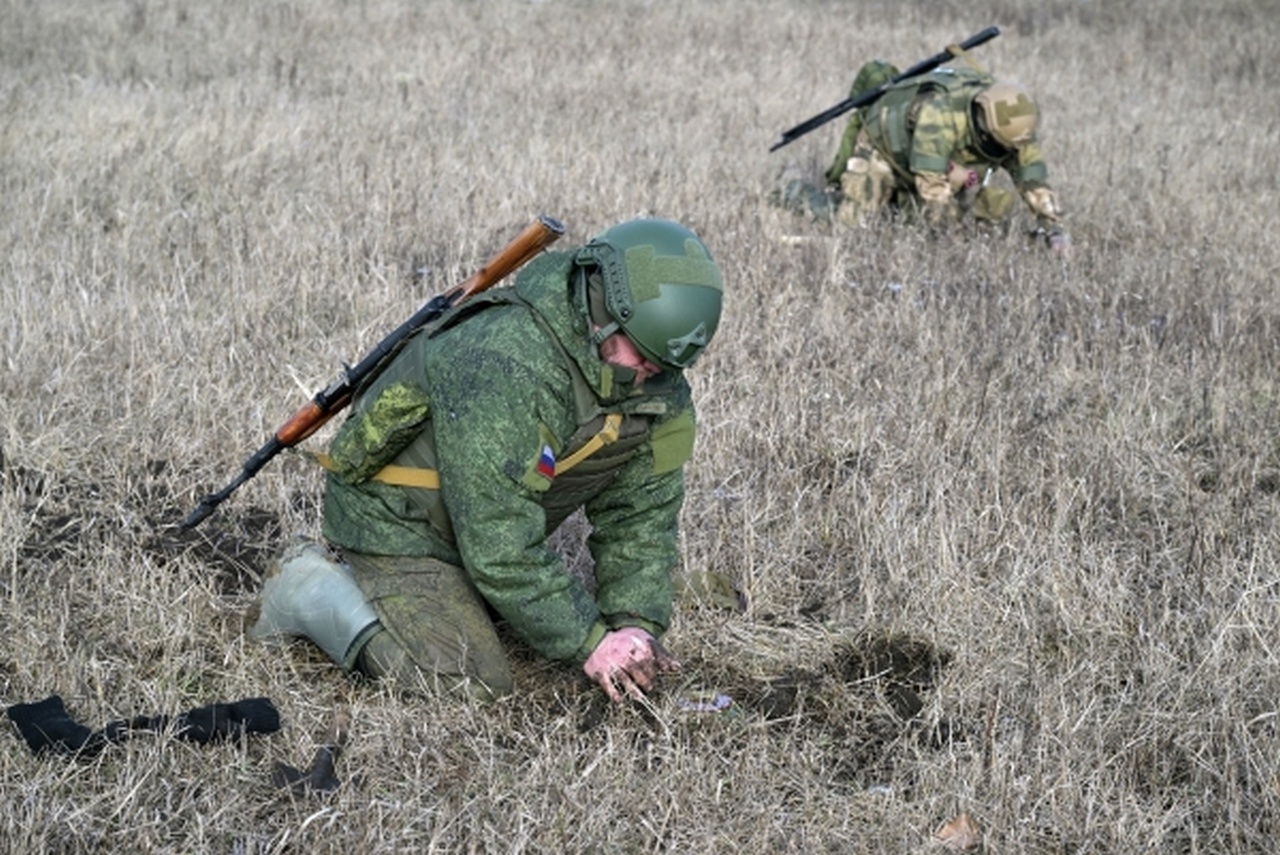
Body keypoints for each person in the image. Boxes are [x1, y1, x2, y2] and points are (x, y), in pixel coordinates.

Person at [246, 218, 725, 705]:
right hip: (397, 518)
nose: (649, 376)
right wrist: (589, 641)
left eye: (661, 366)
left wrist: (634, 625)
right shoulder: (506, 361)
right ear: (599, 309)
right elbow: (499, 543)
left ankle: (461, 593)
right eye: (640, 357)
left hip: (477, 520)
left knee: (516, 610)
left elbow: (643, 514)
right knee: (468, 680)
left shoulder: (657, 379)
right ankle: (309, 587)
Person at [779, 60, 1071, 255]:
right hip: (883, 149)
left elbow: (1034, 180)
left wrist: (1054, 230)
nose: (1007, 153)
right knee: (850, 224)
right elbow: (933, 192)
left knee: (935, 220)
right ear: (982, 123)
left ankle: (898, 204)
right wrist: (955, 246)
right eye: (1000, 145)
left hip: (934, 158)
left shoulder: (1014, 126)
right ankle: (790, 187)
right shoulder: (941, 115)